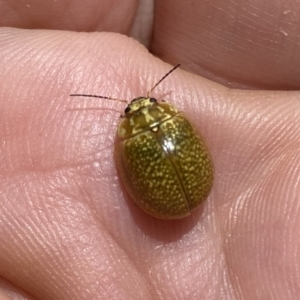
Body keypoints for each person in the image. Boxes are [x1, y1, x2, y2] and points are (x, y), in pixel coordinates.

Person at [0, 1, 299, 299]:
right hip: (188, 192)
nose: (142, 103)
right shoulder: (173, 121)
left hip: (171, 201)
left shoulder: (128, 142)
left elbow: (129, 172)